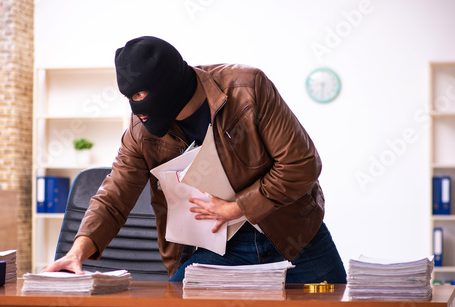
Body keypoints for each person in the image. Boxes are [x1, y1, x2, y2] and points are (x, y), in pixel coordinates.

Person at [43, 36, 347, 283]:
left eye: (141, 95)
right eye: (129, 98)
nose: (138, 110)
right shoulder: (141, 133)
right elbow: (114, 195)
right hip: (217, 248)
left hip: (294, 234)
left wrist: (237, 207)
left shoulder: (248, 90)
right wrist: (78, 251)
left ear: (171, 84)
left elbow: (301, 164)